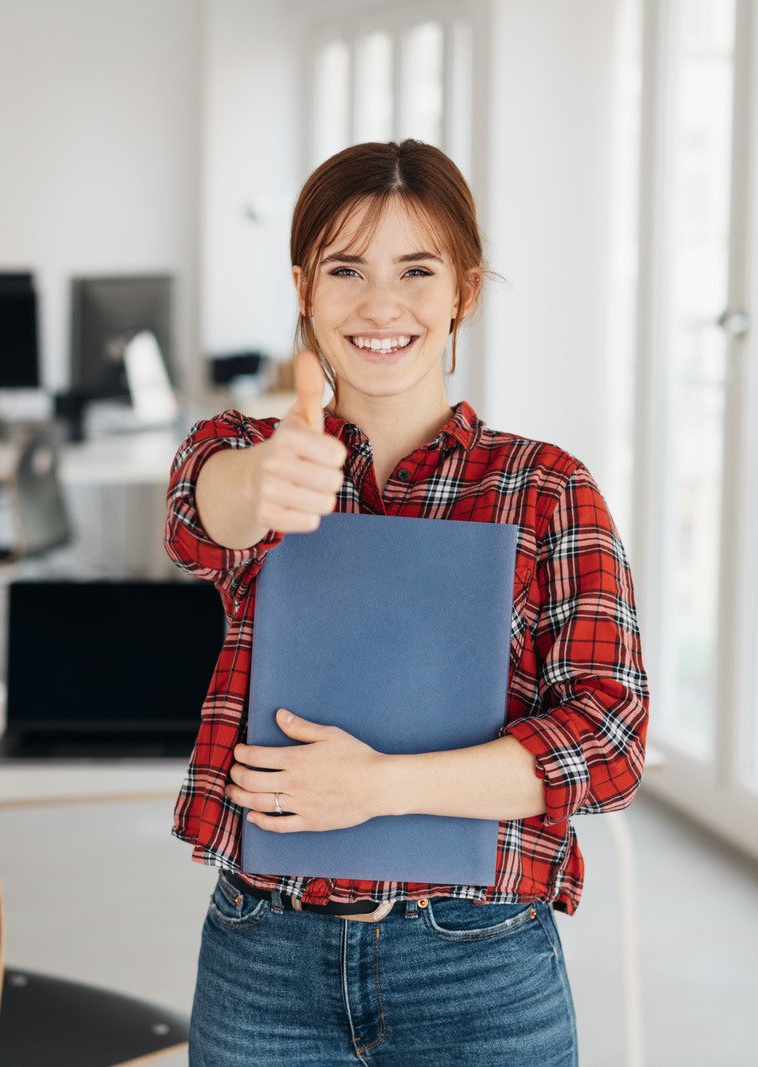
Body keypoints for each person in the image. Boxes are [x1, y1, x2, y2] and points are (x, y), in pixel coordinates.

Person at [164, 139, 649, 1066]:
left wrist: (379, 786)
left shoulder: (545, 488)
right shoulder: (248, 454)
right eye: (346, 269)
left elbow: (612, 740)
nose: (380, 305)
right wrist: (266, 477)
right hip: (266, 952)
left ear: (462, 290)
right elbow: (204, 510)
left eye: (415, 270)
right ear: (304, 287)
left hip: (478, 957)